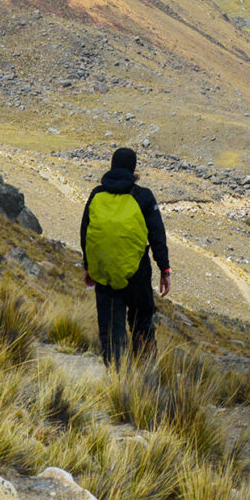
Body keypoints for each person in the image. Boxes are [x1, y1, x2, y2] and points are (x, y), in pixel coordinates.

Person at [79, 147, 171, 367]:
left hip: (105, 272)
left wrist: (89, 266)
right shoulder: (143, 196)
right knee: (142, 320)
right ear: (133, 168)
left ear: (112, 166)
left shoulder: (96, 194)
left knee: (111, 327)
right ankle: (145, 374)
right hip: (137, 273)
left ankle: (117, 378)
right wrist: (164, 270)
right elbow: (157, 235)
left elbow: (86, 232)